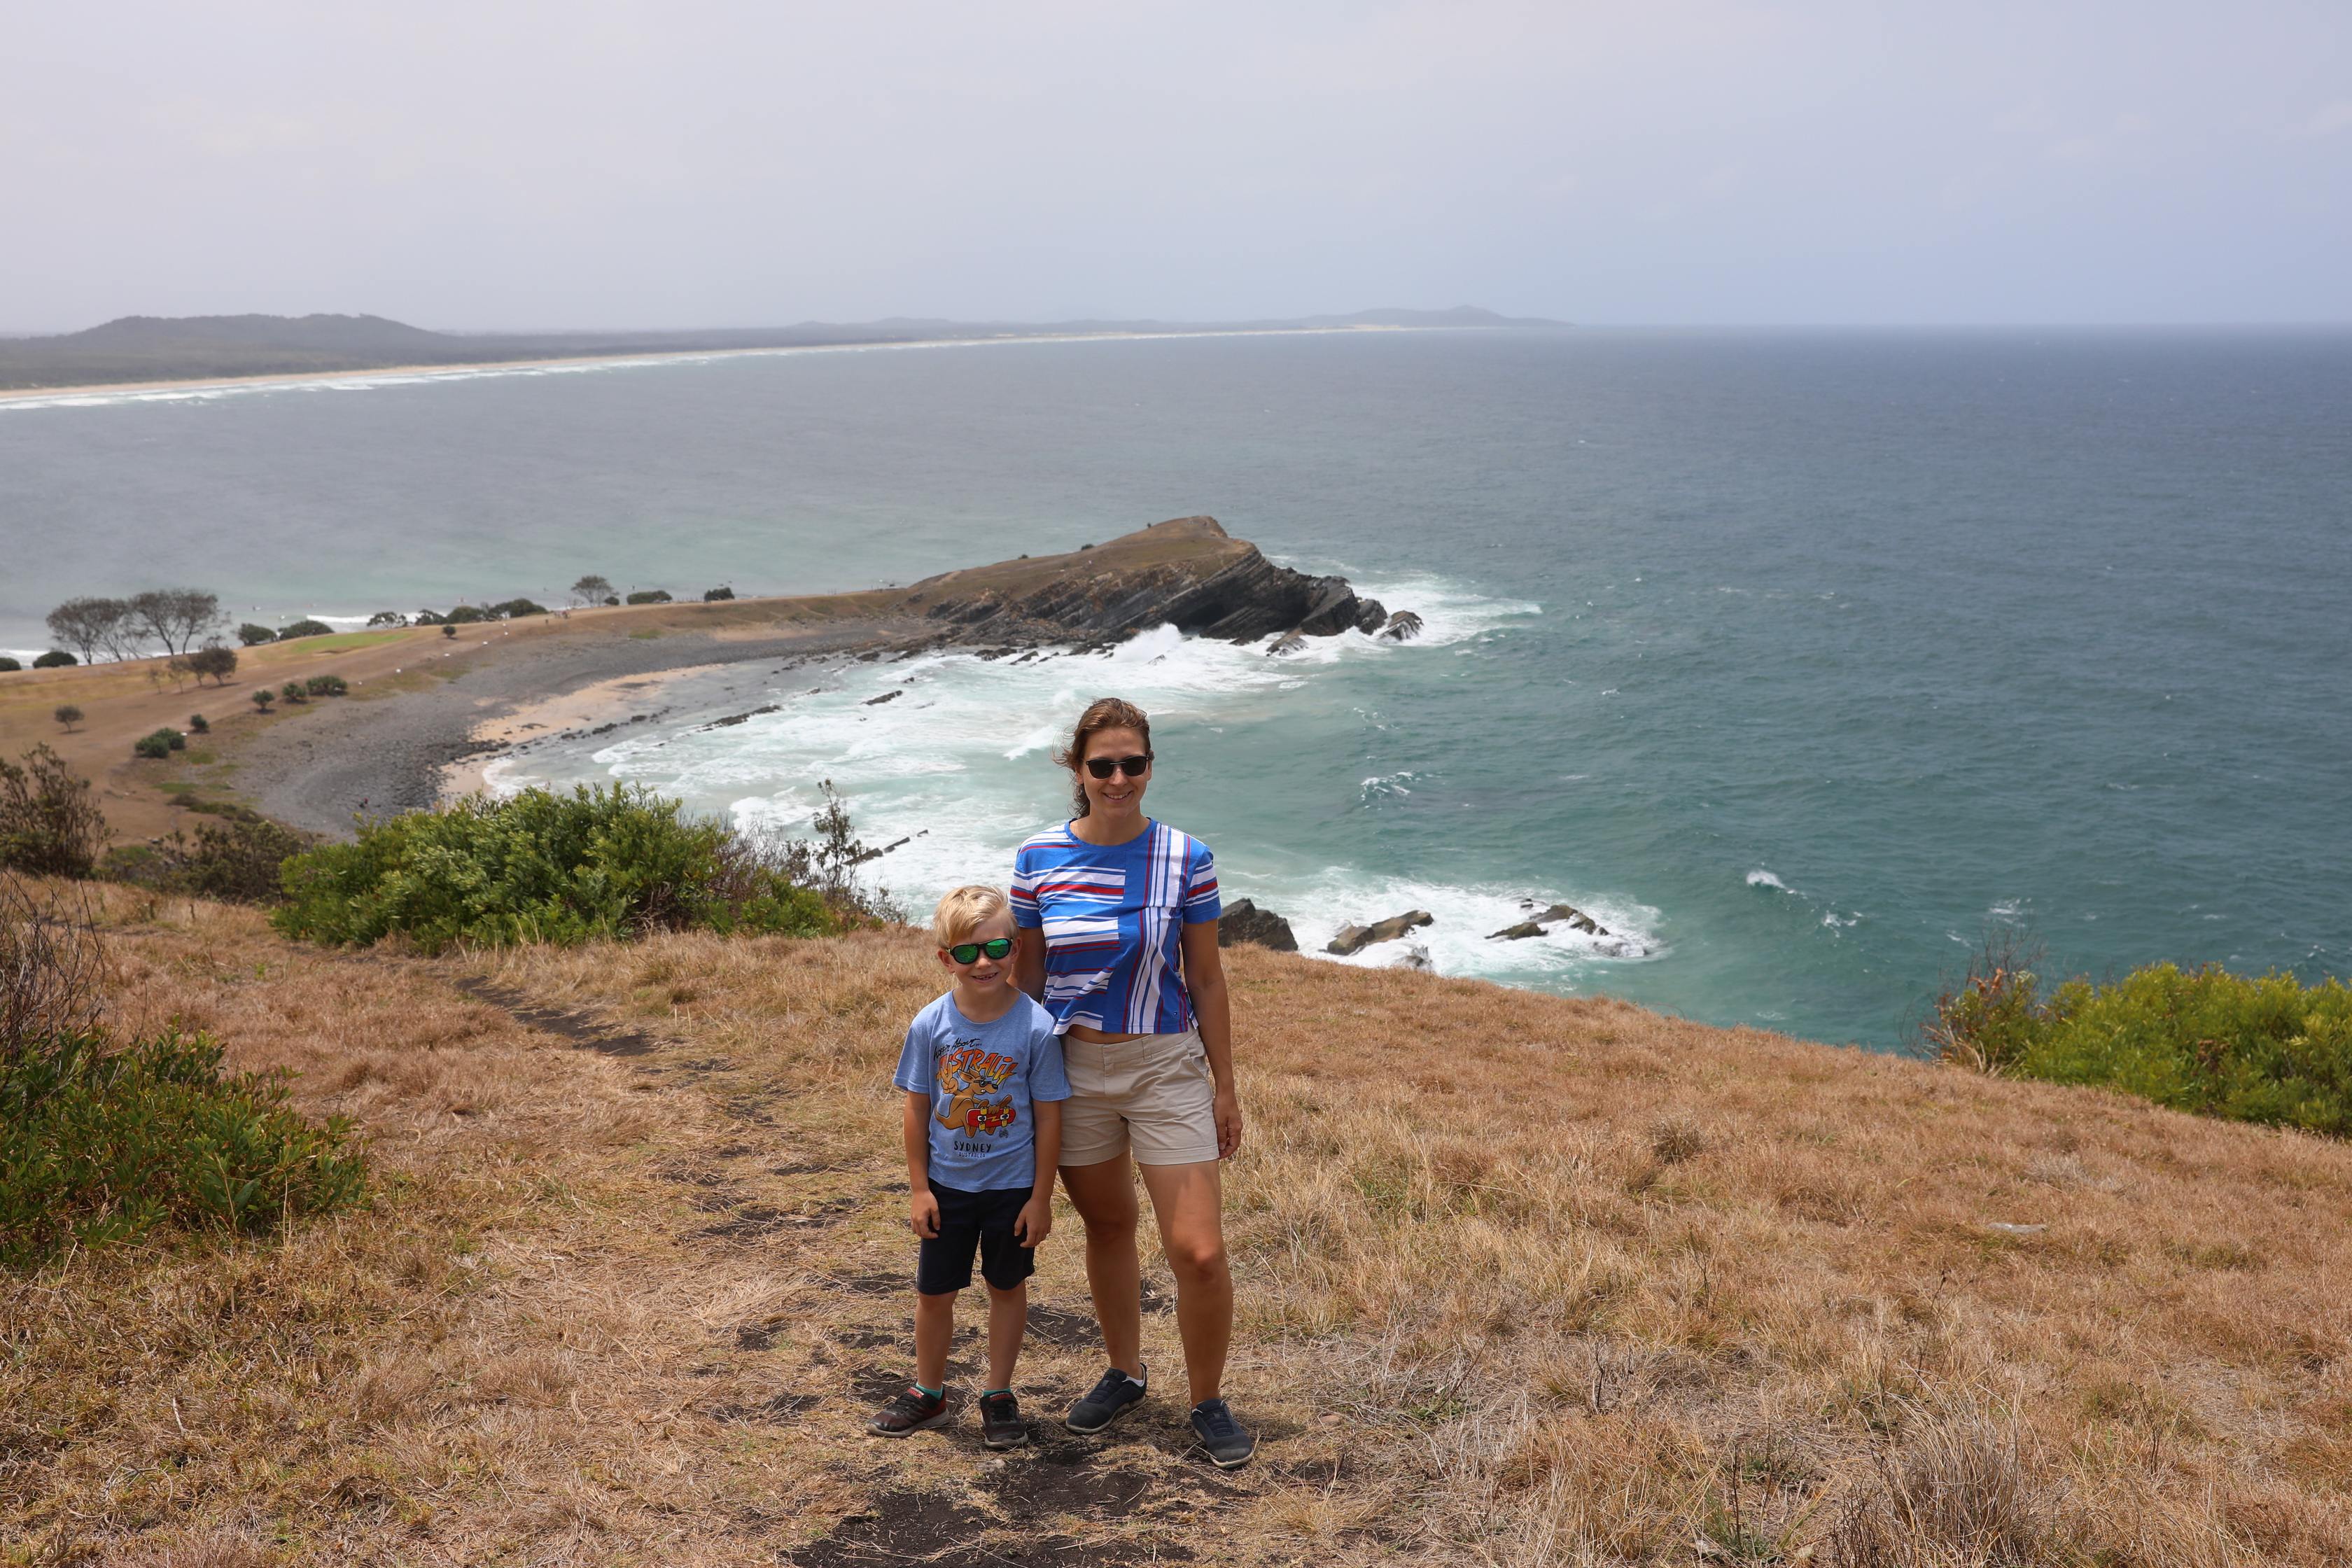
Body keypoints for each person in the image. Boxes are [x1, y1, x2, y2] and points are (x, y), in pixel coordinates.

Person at [1011, 697, 1255, 1469]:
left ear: (1150, 767)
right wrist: (1016, 1082)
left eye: (1133, 763)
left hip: (1165, 1066)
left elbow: (1208, 979)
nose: (1118, 778)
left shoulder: (1187, 856)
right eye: (1102, 764)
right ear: (1077, 770)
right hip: (1071, 1068)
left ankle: (1207, 1399)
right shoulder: (1037, 858)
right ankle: (1125, 1370)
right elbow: (1027, 977)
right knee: (1108, 1226)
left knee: (1200, 1249)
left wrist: (1225, 1085)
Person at [870, 885, 1068, 1450]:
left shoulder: (1036, 1028)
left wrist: (1041, 1197)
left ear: (1018, 948)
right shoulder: (930, 1025)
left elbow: (1050, 1120)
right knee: (934, 1294)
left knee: (1007, 1288)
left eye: (997, 947)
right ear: (944, 958)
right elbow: (915, 1108)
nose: (984, 962)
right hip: (947, 1189)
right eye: (966, 952)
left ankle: (998, 1393)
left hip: (1011, 1191)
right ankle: (927, 1392)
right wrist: (918, 1189)